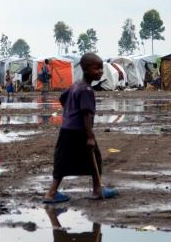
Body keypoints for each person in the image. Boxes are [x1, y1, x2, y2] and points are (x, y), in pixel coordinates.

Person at [44, 53, 118, 203]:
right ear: (85, 69)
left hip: (66, 130)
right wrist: (90, 137)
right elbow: (86, 115)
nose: (100, 71)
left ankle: (54, 192)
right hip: (81, 131)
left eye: (101, 68)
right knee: (94, 158)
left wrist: (70, 112)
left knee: (64, 161)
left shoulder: (75, 85)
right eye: (96, 68)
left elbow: (62, 98)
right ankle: (53, 194)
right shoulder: (86, 90)